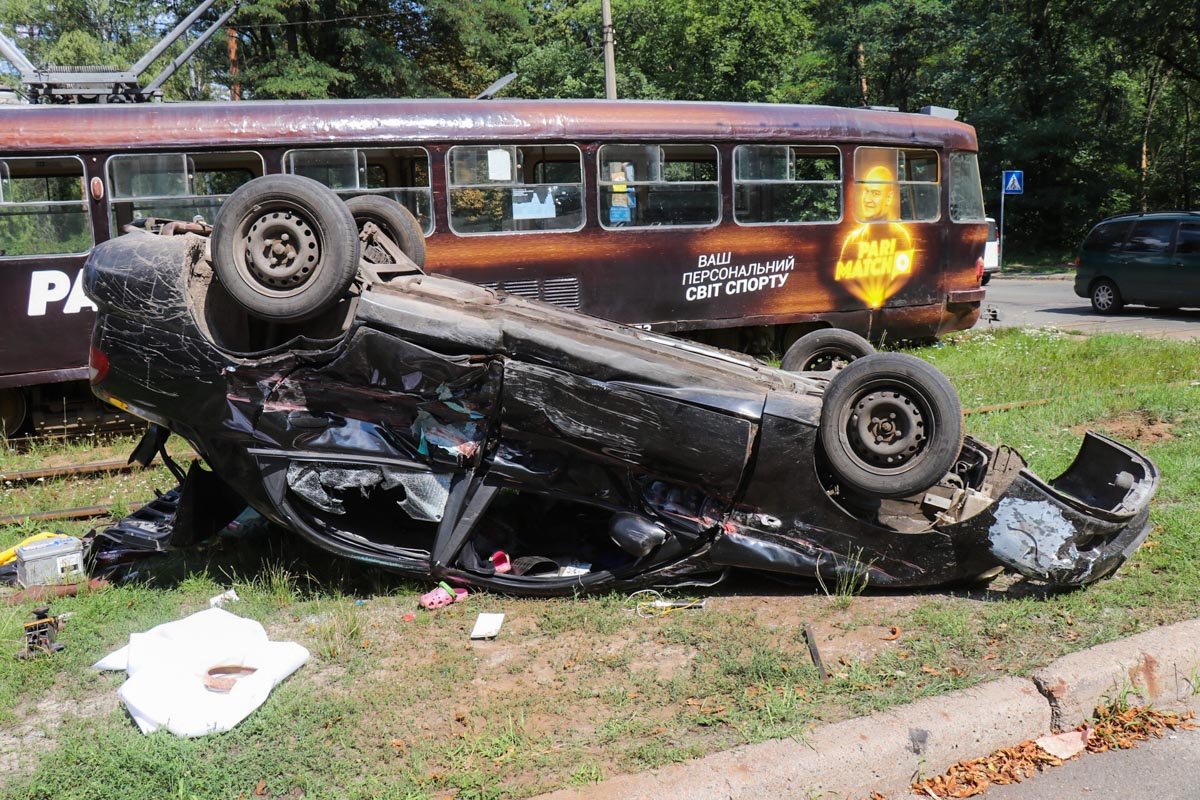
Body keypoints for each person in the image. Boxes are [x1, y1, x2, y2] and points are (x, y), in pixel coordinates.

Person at [834, 164, 916, 308]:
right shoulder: (853, 240)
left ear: (889, 198)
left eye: (876, 193)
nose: (867, 199)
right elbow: (843, 278)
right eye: (866, 191)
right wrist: (868, 299)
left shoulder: (901, 237)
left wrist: (881, 299)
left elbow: (903, 276)